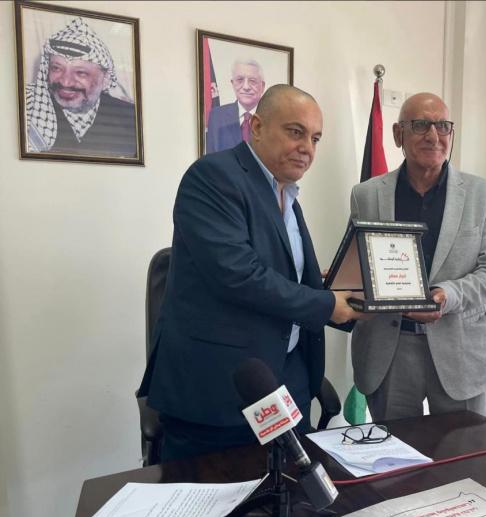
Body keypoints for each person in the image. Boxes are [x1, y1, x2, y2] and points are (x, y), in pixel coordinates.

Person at [139, 85, 362, 462]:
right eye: (295, 132)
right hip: (220, 390)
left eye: (315, 138)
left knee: (290, 489)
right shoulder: (213, 176)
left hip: (284, 382)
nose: (307, 148)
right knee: (215, 496)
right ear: (257, 127)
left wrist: (340, 293)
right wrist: (326, 304)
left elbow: (280, 274)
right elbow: (239, 275)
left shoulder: (287, 194)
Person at [350, 92, 486, 421]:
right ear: (398, 134)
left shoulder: (484, 195)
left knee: (465, 449)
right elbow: (359, 262)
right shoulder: (366, 194)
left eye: (443, 126)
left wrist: (448, 295)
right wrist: (344, 279)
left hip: (460, 350)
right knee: (393, 449)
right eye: (421, 125)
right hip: (390, 349)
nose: (434, 136)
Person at [24, 17, 137, 157]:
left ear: (106, 79)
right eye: (57, 68)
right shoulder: (29, 107)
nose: (65, 82)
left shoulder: (131, 117)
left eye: (80, 73)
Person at [205, 59, 266, 153]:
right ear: (233, 83)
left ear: (262, 86)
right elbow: (211, 157)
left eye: (252, 81)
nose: (246, 87)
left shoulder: (272, 117)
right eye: (240, 80)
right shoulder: (217, 116)